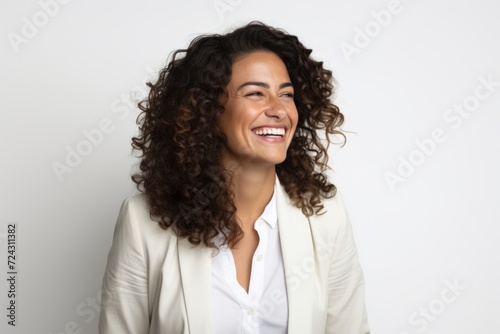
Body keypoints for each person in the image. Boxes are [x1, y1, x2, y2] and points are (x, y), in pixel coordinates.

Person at [98, 21, 370, 334]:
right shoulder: (143, 222)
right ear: (208, 110)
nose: (279, 110)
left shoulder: (326, 216)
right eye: (256, 93)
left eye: (287, 94)